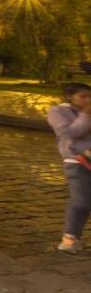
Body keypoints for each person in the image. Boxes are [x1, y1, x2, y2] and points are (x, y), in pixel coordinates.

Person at [49, 82, 91, 253]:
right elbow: (70, 133)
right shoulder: (58, 112)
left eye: (90, 96)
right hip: (77, 161)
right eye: (83, 96)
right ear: (69, 97)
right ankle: (70, 239)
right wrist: (86, 114)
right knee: (81, 201)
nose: (88, 100)